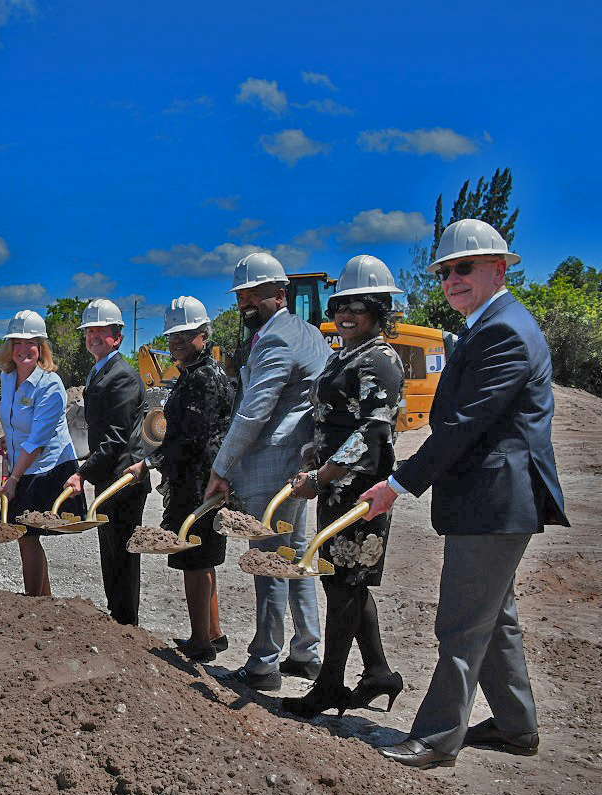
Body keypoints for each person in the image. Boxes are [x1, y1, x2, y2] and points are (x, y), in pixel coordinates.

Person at [362, 220, 567, 769]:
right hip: (492, 500)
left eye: (464, 268)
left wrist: (398, 484)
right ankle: (516, 726)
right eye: (445, 271)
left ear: (499, 270)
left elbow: (463, 425)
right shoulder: (488, 325)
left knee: (460, 623)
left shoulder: (504, 331)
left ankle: (436, 738)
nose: (452, 279)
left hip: (495, 500)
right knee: (494, 617)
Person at [282, 257, 406, 718]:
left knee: (345, 586)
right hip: (334, 488)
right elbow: (328, 419)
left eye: (358, 307)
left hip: (362, 493)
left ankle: (329, 684)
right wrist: (311, 456)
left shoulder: (381, 359)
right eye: (341, 307)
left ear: (378, 311)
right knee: (344, 581)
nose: (346, 315)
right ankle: (379, 672)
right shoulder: (343, 355)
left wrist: (322, 476)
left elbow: (372, 431)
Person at [206, 253, 331, 691]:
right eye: (241, 295)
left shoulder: (276, 338)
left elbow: (254, 412)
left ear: (280, 294)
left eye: (254, 294)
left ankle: (264, 663)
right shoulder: (309, 333)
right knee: (295, 556)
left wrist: (221, 467)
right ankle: (307, 651)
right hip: (298, 465)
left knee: (270, 561)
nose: (245, 303)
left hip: (273, 466)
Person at [128, 297, 234, 661]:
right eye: (173, 337)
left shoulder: (204, 378)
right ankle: (213, 632)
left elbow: (190, 437)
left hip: (199, 481)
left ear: (204, 335)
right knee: (203, 558)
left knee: (194, 557)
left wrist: (150, 461)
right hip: (195, 478)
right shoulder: (193, 373)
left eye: (185, 336)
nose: (177, 343)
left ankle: (200, 642)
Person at [64, 299, 149, 623]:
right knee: (110, 552)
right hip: (109, 477)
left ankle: (127, 624)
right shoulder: (100, 370)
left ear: (118, 337)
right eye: (90, 331)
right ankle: (118, 619)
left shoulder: (122, 375)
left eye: (101, 331)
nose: (94, 336)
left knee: (122, 555)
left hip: (124, 479)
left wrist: (82, 473)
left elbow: (115, 436)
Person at [0, 310, 83, 596]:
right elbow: (15, 423)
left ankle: (35, 603)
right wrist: (7, 441)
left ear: (41, 347)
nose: (23, 349)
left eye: (30, 343)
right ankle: (43, 602)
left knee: (27, 535)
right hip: (22, 463)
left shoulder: (50, 385)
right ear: (10, 347)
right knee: (26, 537)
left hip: (46, 468)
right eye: (17, 343)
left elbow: (37, 441)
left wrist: (13, 479)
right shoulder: (7, 377)